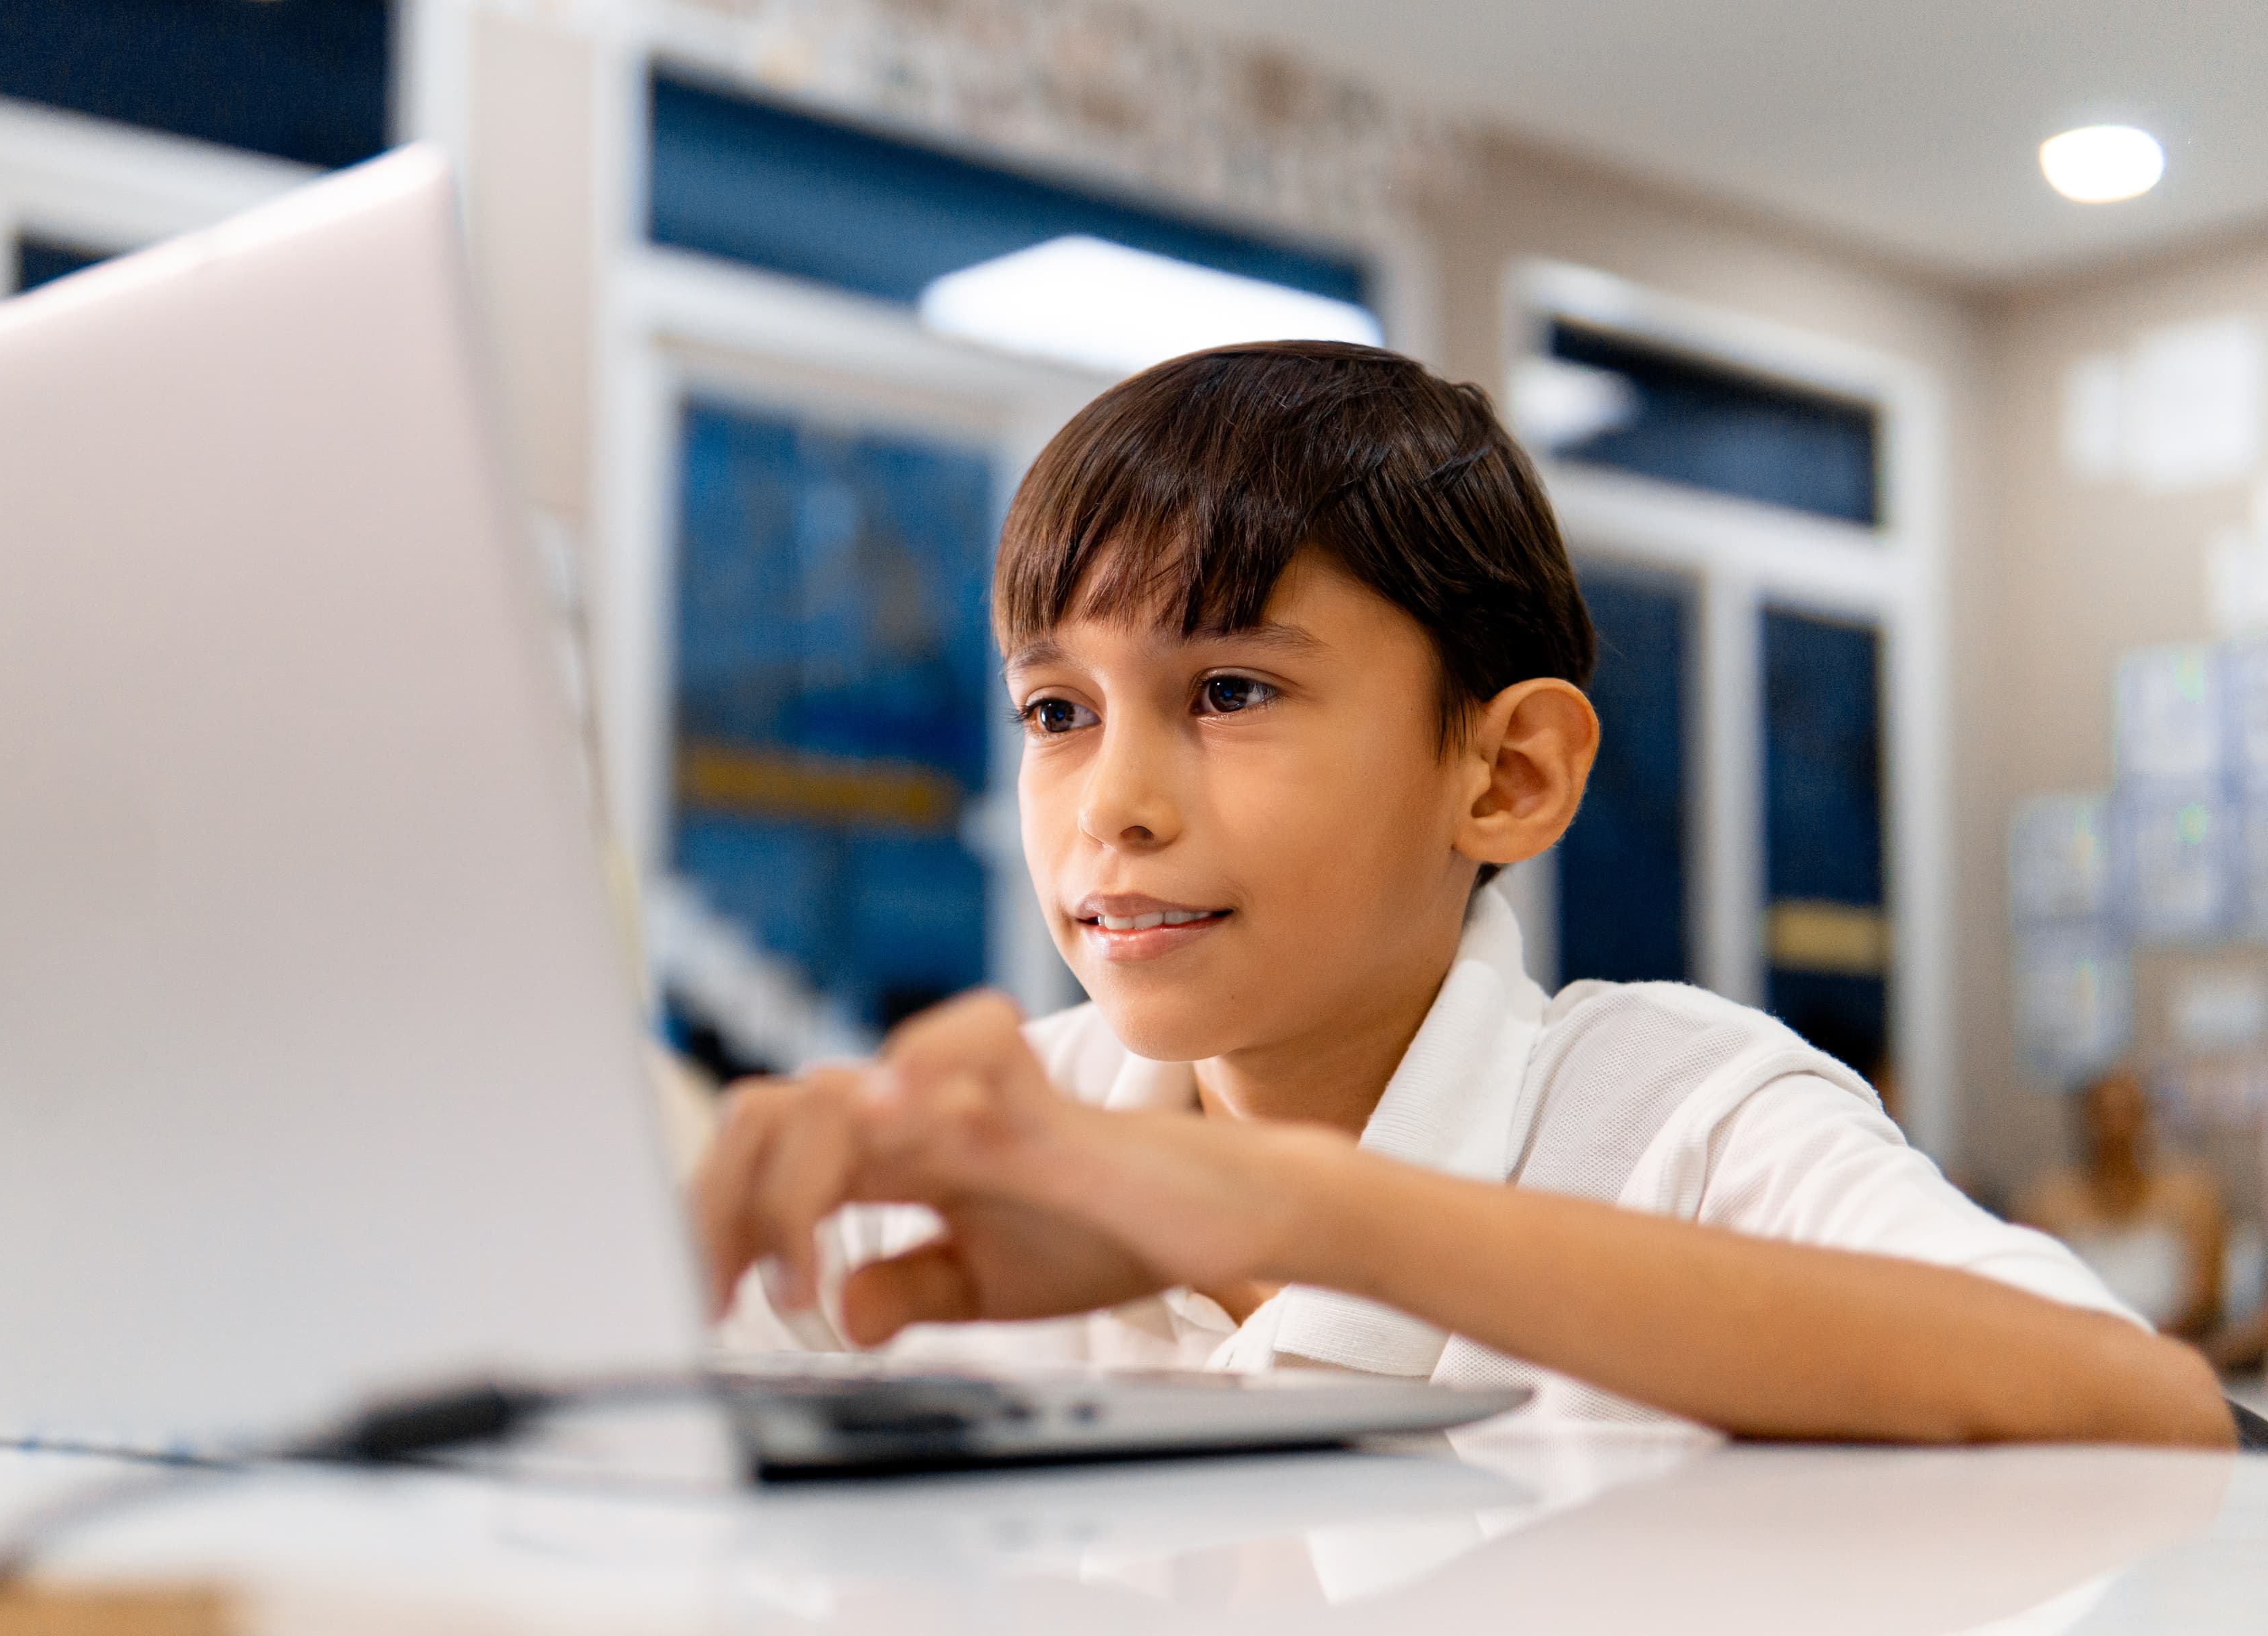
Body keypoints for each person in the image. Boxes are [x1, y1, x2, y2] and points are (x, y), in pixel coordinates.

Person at [691, 340, 2231, 1447]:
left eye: (1228, 690)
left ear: (1506, 775)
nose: (1110, 805)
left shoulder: (1678, 1114)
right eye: (1056, 711)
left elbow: (2151, 1410)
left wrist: (1303, 1207)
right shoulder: (995, 1147)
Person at [2017, 1069, 2225, 1341]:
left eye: (2127, 1113)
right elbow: (2030, 1296)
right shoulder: (2048, 1204)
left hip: (2168, 1346)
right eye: (2104, 1114)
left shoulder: (2191, 1198)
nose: (2116, 1127)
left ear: (2145, 1120)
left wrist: (2145, 1343)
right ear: (2084, 1122)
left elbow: (2206, 1301)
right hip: (2077, 1348)